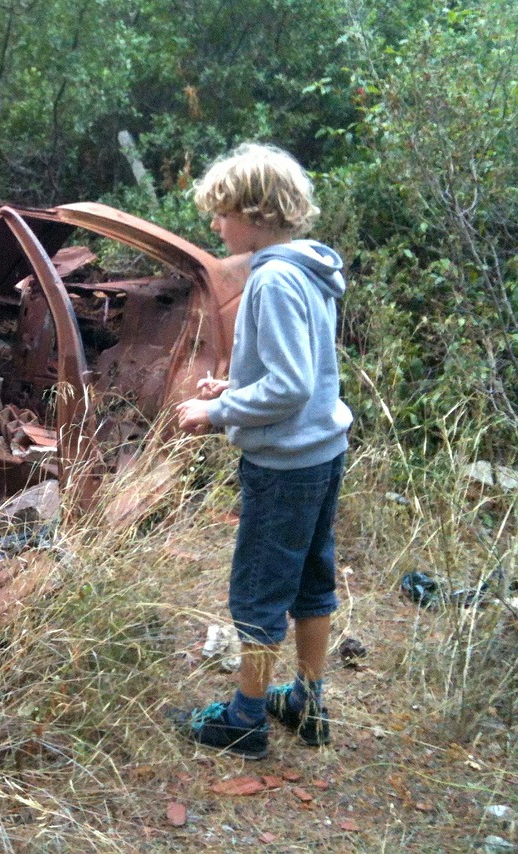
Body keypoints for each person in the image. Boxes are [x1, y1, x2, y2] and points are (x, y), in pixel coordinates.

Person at [173, 142, 351, 759]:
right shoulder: (310, 268)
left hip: (283, 465)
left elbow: (290, 385)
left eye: (222, 213)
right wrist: (238, 386)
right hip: (323, 452)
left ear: (257, 213)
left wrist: (216, 410)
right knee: (310, 581)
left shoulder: (271, 280)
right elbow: (298, 371)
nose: (216, 226)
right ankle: (306, 697)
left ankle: (245, 720)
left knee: (258, 592)